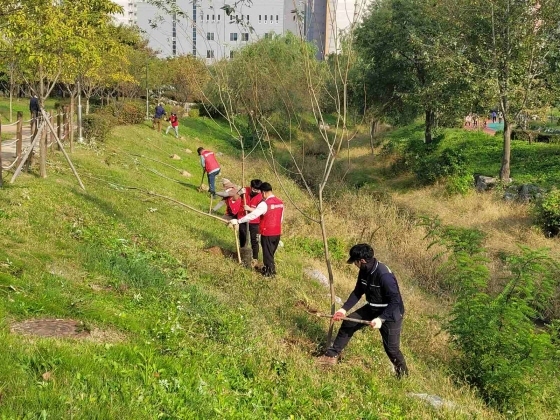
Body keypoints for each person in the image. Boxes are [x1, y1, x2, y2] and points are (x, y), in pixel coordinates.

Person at [317, 243, 409, 378]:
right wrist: (343, 310)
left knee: (392, 349)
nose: (355, 265)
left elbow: (395, 301)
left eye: (355, 262)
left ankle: (403, 375)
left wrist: (381, 319)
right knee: (348, 323)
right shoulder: (364, 271)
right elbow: (358, 292)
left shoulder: (384, 275)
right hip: (373, 307)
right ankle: (331, 356)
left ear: (362, 261)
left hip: (391, 313)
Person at [229, 182, 283, 277]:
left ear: (264, 193)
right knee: (270, 253)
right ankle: (269, 270)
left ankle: (270, 274)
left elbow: (254, 215)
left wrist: (238, 221)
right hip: (277, 233)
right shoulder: (280, 203)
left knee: (267, 254)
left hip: (267, 232)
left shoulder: (265, 204)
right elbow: (280, 218)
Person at [239, 179, 263, 265]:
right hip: (243, 218)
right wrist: (240, 193)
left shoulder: (261, 197)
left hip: (254, 221)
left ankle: (255, 258)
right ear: (251, 187)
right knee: (243, 236)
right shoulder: (245, 190)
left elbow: (260, 210)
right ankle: (242, 252)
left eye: (258, 190)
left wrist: (249, 209)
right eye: (254, 189)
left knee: (255, 240)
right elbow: (235, 197)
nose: (255, 191)